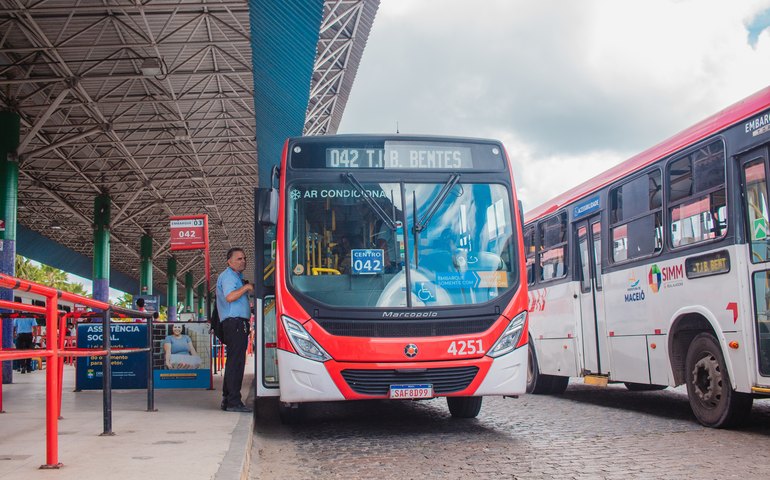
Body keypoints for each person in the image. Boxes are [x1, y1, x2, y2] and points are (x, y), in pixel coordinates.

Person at [216, 247, 253, 413]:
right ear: (229, 261)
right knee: (236, 363)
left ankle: (228, 399)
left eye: (244, 258)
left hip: (237, 324)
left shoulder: (236, 277)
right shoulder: (229, 276)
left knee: (234, 362)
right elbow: (230, 297)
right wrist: (246, 287)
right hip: (234, 324)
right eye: (239, 258)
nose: (243, 261)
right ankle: (233, 402)